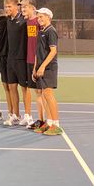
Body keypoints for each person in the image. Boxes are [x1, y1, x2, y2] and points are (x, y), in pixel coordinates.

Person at [32, 8, 63, 136]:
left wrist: (43, 66)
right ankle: (49, 123)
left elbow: (53, 51)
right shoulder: (41, 31)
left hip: (49, 68)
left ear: (48, 17)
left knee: (48, 94)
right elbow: (37, 52)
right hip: (40, 68)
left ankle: (56, 125)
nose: (39, 19)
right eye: (38, 17)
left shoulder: (51, 31)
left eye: (42, 17)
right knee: (44, 95)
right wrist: (35, 68)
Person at [3, 0, 28, 126]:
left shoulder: (24, 20)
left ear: (16, 7)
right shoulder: (7, 20)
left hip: (22, 60)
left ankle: (27, 116)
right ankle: (16, 115)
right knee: (12, 87)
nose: (7, 9)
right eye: (6, 6)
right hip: (10, 59)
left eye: (9, 6)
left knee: (24, 89)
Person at [21, 0, 44, 128]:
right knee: (35, 91)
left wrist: (38, 63)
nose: (23, 8)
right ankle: (39, 120)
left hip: (38, 61)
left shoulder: (38, 22)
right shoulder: (27, 22)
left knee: (40, 92)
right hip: (29, 61)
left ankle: (44, 121)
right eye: (22, 6)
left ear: (33, 8)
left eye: (26, 6)